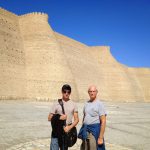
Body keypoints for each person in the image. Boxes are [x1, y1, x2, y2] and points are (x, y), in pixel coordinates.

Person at [48, 84, 79, 150]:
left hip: (66, 132)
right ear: (62, 92)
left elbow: (76, 120)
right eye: (64, 91)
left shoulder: (74, 104)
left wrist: (69, 127)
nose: (66, 93)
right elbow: (49, 118)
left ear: (70, 93)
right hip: (56, 131)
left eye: (68, 92)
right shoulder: (56, 103)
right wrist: (58, 117)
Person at [78, 85, 107, 150]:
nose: (92, 93)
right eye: (90, 91)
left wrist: (100, 137)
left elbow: (103, 121)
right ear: (88, 92)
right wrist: (83, 129)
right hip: (85, 130)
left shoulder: (100, 104)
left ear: (96, 92)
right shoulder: (86, 104)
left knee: (93, 147)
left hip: (94, 131)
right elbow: (84, 116)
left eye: (94, 91)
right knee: (85, 148)